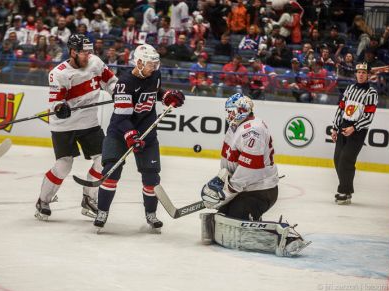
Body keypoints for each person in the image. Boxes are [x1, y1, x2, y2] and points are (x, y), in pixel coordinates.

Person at [199, 94, 308, 256]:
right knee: (223, 215)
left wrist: (227, 191)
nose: (228, 115)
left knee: (235, 220)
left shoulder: (253, 131)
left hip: (260, 191)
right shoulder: (236, 125)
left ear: (241, 111)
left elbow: (250, 169)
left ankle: (286, 237)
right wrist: (221, 182)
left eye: (231, 111)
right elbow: (231, 160)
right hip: (243, 187)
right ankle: (247, 216)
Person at [94, 44, 185, 231]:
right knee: (111, 172)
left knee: (151, 176)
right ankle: (101, 212)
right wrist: (131, 135)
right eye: (151, 64)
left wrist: (166, 96)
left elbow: (155, 92)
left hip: (147, 132)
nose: (154, 67)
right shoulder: (125, 83)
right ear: (139, 62)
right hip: (120, 132)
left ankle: (151, 215)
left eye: (155, 63)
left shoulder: (155, 76)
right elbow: (121, 118)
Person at [34, 34, 118, 221]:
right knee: (64, 165)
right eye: (83, 52)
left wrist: (118, 94)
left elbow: (111, 82)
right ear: (72, 52)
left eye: (89, 51)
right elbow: (56, 103)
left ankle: (89, 199)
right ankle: (43, 201)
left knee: (103, 160)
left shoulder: (95, 63)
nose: (87, 55)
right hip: (64, 126)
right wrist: (60, 108)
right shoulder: (59, 73)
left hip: (89, 123)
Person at [331, 63, 378, 205]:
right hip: (343, 126)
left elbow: (369, 117)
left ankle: (343, 191)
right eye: (358, 72)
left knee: (346, 159)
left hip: (358, 131)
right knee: (337, 159)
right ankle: (348, 189)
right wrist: (334, 127)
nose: (361, 74)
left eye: (364, 72)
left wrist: (354, 127)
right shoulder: (350, 88)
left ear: (368, 75)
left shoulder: (371, 93)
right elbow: (341, 109)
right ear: (356, 74)